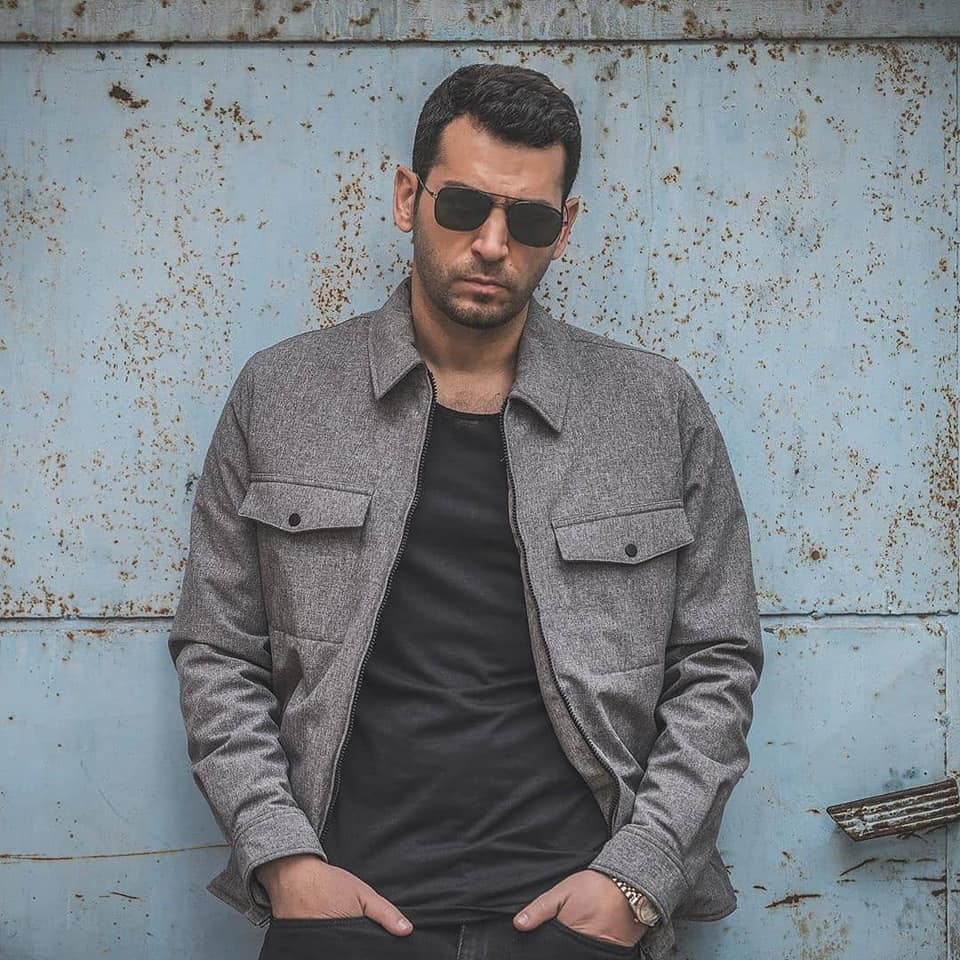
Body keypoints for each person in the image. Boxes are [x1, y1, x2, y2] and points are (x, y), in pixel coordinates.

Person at [168, 63, 763, 960]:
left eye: (528, 221)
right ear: (408, 197)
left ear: (564, 228)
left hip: (578, 920)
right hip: (343, 912)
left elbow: (717, 659)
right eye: (463, 207)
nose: (492, 244)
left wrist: (637, 879)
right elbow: (219, 651)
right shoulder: (282, 394)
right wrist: (284, 860)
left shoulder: (653, 409)